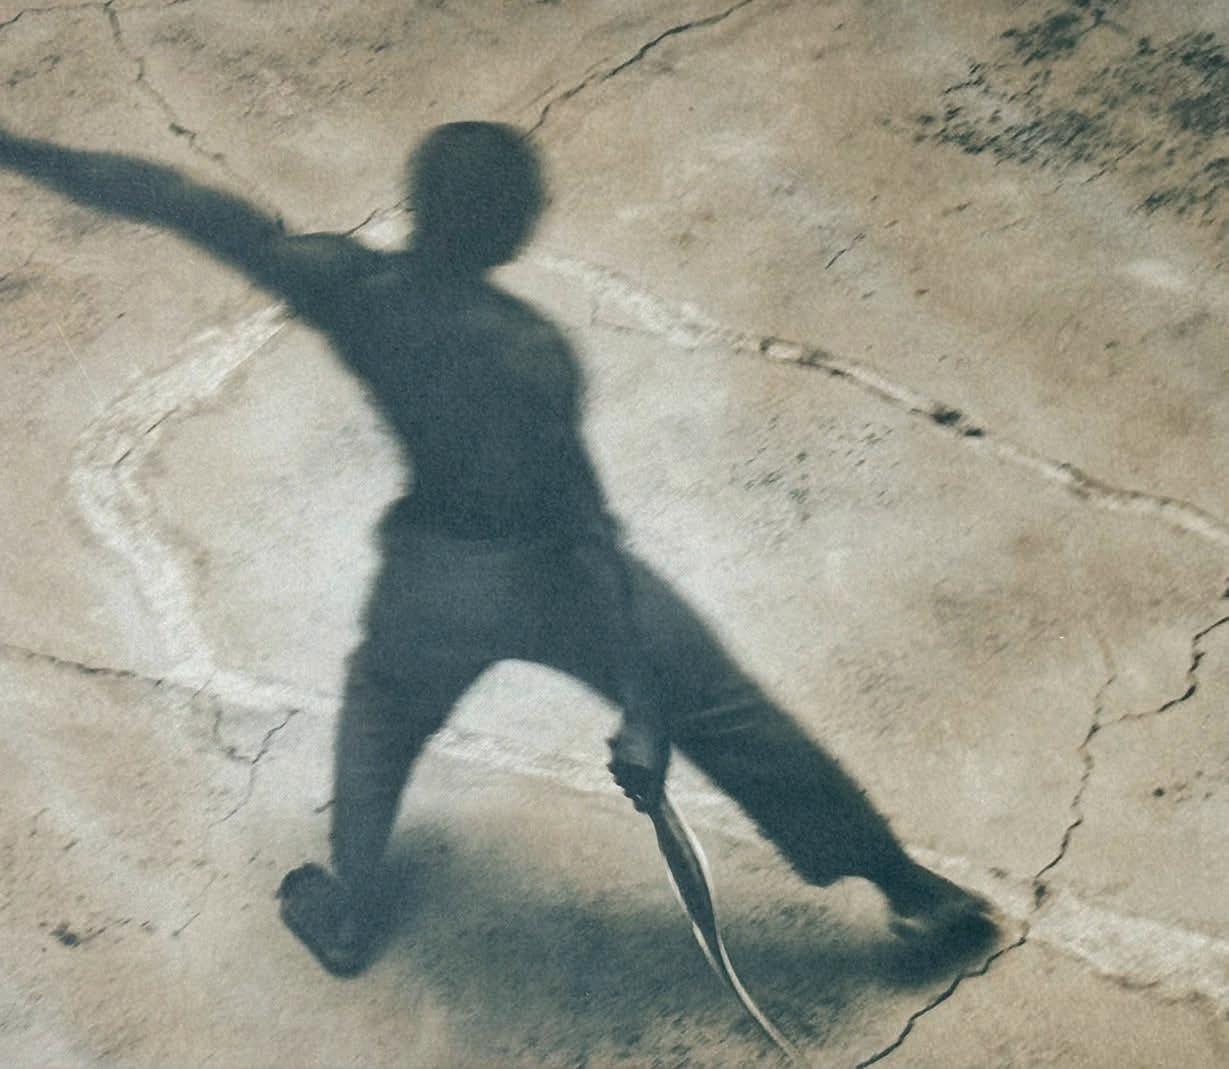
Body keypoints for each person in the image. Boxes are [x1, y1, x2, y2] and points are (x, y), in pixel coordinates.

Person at [0, 120, 996, 977]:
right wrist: (641, 706)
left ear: (419, 206)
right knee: (727, 713)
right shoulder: (531, 351)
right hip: (554, 573)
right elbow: (581, 530)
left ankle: (349, 913)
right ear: (513, 225)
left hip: (434, 577)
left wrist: (15, 147)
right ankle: (910, 891)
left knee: (382, 712)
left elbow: (173, 199)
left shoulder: (350, 286)